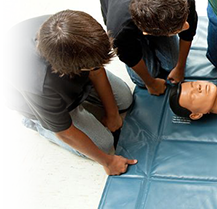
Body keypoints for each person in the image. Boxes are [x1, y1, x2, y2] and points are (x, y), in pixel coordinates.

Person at [3, 11, 137, 175]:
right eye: (91, 66)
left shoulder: (70, 29)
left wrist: (112, 113)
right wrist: (108, 162)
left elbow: (96, 70)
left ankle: (82, 98)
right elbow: (65, 133)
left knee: (125, 99)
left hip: (68, 70)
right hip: (34, 101)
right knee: (104, 143)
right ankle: (37, 124)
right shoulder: (39, 85)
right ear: (69, 70)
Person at [101, 0, 198, 96]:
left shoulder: (185, 2)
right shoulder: (119, 33)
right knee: (142, 80)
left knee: (171, 65)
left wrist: (180, 67)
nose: (187, 26)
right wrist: (151, 83)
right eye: (176, 30)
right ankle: (143, 45)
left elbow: (188, 35)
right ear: (148, 33)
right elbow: (132, 59)